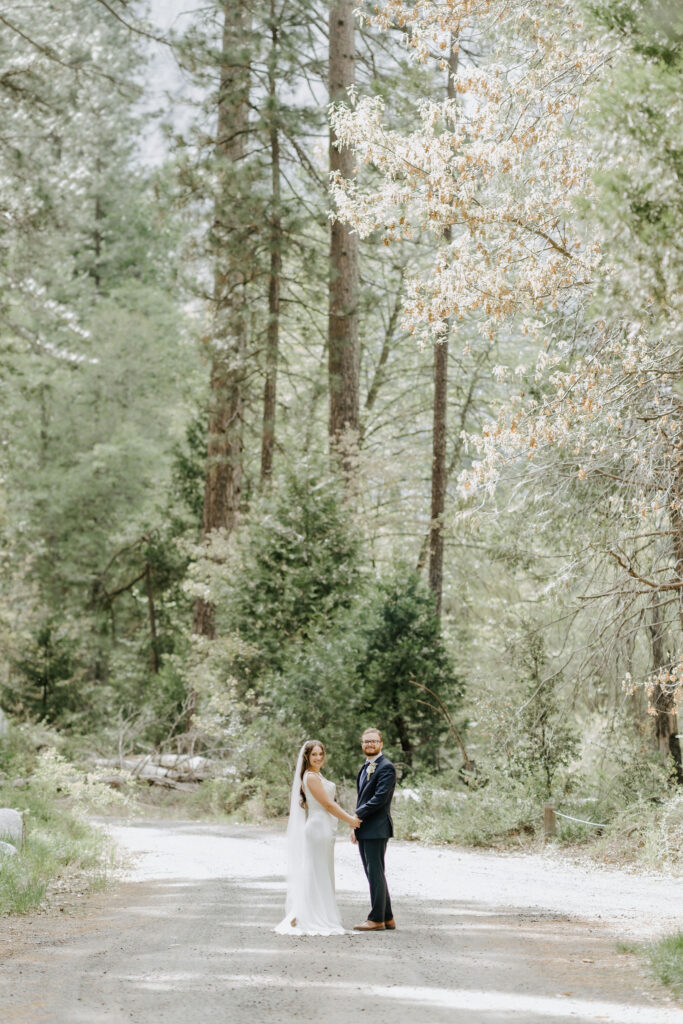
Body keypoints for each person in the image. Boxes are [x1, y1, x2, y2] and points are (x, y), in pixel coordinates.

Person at [275, 739, 361, 936]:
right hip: (317, 827)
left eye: (321, 754)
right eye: (314, 754)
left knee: (319, 870)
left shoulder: (316, 775)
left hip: (323, 826)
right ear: (307, 756)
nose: (318, 757)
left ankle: (306, 912)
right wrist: (351, 820)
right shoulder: (311, 777)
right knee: (316, 870)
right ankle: (310, 914)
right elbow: (328, 805)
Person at [352, 727, 396, 931]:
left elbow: (379, 799)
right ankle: (387, 917)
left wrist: (356, 816)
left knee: (375, 873)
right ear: (362, 744)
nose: (369, 744)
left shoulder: (386, 767)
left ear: (381, 743)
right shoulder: (366, 767)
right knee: (374, 873)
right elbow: (363, 797)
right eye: (366, 741)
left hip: (377, 828)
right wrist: (356, 825)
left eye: (373, 741)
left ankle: (376, 918)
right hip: (366, 828)